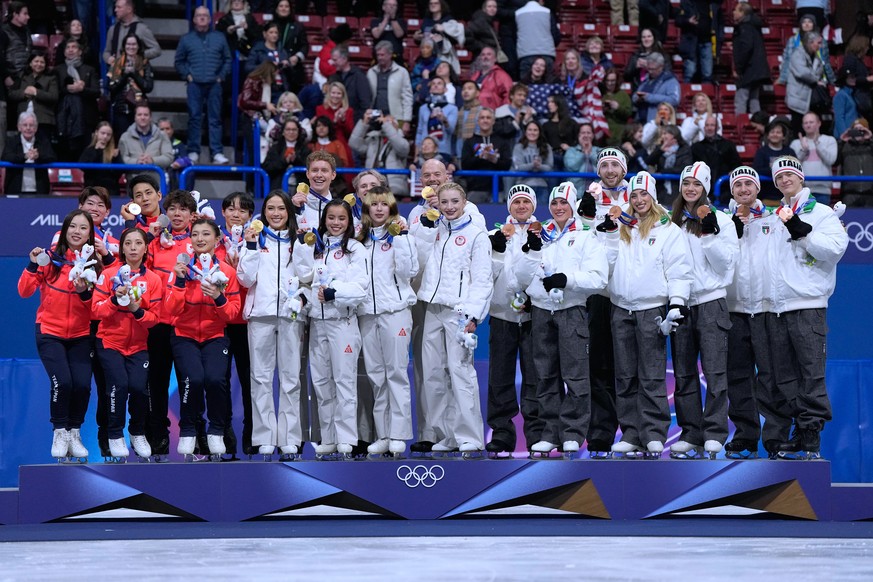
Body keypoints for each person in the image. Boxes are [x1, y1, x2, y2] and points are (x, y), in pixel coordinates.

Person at [598, 171, 693, 459]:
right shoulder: (621, 227)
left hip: (651, 310)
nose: (639, 200)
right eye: (635, 195)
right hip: (620, 308)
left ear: (653, 197)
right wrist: (608, 234)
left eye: (644, 194)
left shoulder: (668, 230)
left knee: (651, 375)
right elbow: (606, 264)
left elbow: (679, 269)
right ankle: (630, 433)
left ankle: (653, 433)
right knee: (625, 375)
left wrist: (676, 303)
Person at [514, 181, 609, 457]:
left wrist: (567, 279)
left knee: (576, 376)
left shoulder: (585, 235)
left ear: (573, 206)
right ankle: (549, 432)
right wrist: (530, 252)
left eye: (564, 203)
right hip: (542, 312)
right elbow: (520, 278)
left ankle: (572, 433)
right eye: (554, 203)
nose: (558, 208)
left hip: (572, 311)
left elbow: (599, 278)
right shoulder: (540, 233)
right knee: (545, 376)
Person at [767, 156, 848, 459]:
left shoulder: (823, 213)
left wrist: (805, 234)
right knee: (786, 376)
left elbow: (836, 250)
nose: (785, 180)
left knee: (810, 374)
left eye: (790, 175)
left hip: (809, 304)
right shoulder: (776, 217)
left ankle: (812, 434)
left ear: (801, 178)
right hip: (779, 306)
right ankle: (800, 432)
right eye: (779, 177)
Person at [413, 182, 493, 456]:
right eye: (444, 202)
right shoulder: (432, 229)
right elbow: (416, 260)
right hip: (432, 309)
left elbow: (482, 279)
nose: (448, 207)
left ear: (464, 202)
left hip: (459, 313)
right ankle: (447, 435)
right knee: (433, 376)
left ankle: (470, 436)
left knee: (461, 372)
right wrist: (424, 228)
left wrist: (473, 314)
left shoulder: (476, 234)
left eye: (453, 202)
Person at [667, 162, 738, 459]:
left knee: (715, 372)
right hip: (681, 304)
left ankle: (714, 433)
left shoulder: (722, 219)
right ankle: (691, 433)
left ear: (706, 188)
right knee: (683, 374)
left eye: (696, 184)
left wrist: (710, 236)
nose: (691, 189)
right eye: (686, 184)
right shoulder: (672, 224)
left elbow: (727, 266)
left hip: (711, 303)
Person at [19, 210, 102, 461]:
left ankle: (74, 431)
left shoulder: (95, 265)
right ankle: (60, 431)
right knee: (63, 382)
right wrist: (33, 264)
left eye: (83, 228)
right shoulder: (49, 260)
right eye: (72, 227)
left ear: (90, 234)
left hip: (80, 335)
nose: (77, 232)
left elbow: (97, 308)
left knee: (83, 385)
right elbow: (24, 291)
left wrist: (84, 292)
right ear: (65, 230)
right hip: (50, 333)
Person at [236, 190, 312, 460]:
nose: (276, 213)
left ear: (289, 212)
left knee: (291, 379)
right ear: (264, 212)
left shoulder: (299, 239)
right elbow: (245, 279)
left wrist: (303, 246)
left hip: (291, 316)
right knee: (260, 379)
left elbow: (307, 275)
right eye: (271, 208)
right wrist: (253, 247)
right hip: (261, 316)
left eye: (281, 208)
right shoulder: (254, 238)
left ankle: (290, 439)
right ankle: (265, 437)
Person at [166, 218, 242, 459]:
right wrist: (179, 282)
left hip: (215, 336)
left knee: (216, 381)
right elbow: (171, 309)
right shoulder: (181, 268)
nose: (200, 239)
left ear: (216, 240)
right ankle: (188, 430)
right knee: (193, 380)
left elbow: (231, 313)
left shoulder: (227, 272)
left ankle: (216, 431)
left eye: (206, 234)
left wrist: (218, 297)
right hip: (184, 336)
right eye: (196, 234)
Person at [723, 166, 784, 459]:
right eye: (738, 185)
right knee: (737, 376)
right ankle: (746, 436)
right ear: (732, 191)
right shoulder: (722, 221)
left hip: (765, 308)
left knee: (771, 376)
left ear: (758, 188)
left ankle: (776, 438)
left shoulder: (774, 220)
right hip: (733, 309)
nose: (743, 189)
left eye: (749, 184)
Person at [356, 186, 418, 457]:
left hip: (396, 312)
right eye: (374, 204)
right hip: (367, 313)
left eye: (384, 204)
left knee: (396, 374)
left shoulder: (402, 235)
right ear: (367, 208)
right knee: (376, 377)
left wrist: (401, 238)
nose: (379, 208)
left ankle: (399, 434)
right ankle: (382, 434)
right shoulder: (359, 239)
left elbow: (409, 271)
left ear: (391, 207)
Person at [91, 227, 162, 461]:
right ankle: (114, 435)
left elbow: (155, 318)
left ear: (145, 248)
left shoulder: (153, 279)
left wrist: (136, 309)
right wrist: (114, 300)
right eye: (128, 243)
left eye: (138, 243)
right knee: (118, 386)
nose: (133, 248)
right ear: (121, 248)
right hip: (109, 342)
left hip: (139, 347)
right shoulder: (108, 274)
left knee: (140, 389)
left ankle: (137, 432)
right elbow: (95, 310)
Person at [482, 184, 543, 456]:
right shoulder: (493, 234)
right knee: (500, 379)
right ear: (509, 206)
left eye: (526, 202)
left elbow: (546, 269)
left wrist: (536, 296)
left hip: (534, 317)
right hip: (501, 315)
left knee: (537, 378)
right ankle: (502, 435)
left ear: (533, 205)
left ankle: (538, 435)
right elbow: (484, 276)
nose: (521, 206)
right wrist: (495, 253)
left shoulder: (545, 233)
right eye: (516, 202)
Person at [306, 199, 369, 458]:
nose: (335, 223)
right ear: (324, 220)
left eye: (341, 218)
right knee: (321, 383)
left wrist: (334, 293)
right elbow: (304, 279)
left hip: (343, 322)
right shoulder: (316, 247)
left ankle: (346, 438)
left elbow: (361, 288)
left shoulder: (355, 249)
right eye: (331, 217)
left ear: (349, 221)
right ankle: (329, 437)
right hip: (317, 323)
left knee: (344, 382)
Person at [215, 192, 255, 456]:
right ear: (223, 213)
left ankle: (251, 435)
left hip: (249, 320)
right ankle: (224, 435)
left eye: (242, 210)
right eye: (230, 209)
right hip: (220, 320)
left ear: (250, 216)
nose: (236, 214)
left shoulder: (256, 241)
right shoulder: (212, 241)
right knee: (220, 381)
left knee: (250, 381)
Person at [175, 7, 232, 165]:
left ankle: (217, 153)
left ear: (210, 19)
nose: (201, 18)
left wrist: (221, 76)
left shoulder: (219, 37)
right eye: (199, 15)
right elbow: (178, 61)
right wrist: (187, 75)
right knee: (194, 118)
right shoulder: (186, 39)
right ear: (194, 19)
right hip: (195, 84)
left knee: (215, 119)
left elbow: (228, 59)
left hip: (215, 84)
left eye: (205, 16)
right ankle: (193, 150)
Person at [349, 110, 411, 197]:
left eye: (389, 121)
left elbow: (402, 148)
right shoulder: (373, 138)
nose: (385, 123)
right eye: (384, 121)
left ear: (397, 125)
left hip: (394, 188)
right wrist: (364, 123)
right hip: (371, 187)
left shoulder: (402, 141)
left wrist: (386, 124)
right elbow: (354, 144)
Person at [107, 34, 154, 140]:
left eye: (134, 44)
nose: (131, 47)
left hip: (139, 109)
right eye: (128, 44)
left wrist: (134, 74)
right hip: (120, 109)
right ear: (124, 46)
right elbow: (111, 88)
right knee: (122, 140)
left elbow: (148, 87)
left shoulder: (145, 63)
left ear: (138, 46)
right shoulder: (116, 64)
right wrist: (125, 75)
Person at [461, 107, 513, 203]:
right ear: (478, 121)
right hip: (475, 189)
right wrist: (480, 157)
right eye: (482, 118)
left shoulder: (502, 141)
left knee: (497, 217)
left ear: (493, 121)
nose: (485, 120)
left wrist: (495, 160)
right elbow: (464, 164)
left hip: (497, 189)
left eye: (488, 118)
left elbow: (507, 165)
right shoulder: (469, 141)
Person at [691, 115, 742, 206]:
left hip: (725, 191)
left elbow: (737, 165)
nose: (709, 128)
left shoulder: (728, 145)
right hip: (703, 191)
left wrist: (733, 171)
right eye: (707, 125)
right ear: (704, 127)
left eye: (712, 125)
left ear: (717, 127)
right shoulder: (696, 147)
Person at [2, 111, 57, 194]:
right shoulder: (11, 141)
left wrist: (38, 156)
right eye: (25, 125)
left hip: (39, 189)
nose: (28, 128)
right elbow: (6, 157)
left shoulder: (43, 141)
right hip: (15, 188)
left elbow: (52, 157)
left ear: (36, 128)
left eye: (31, 125)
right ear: (19, 127)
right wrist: (24, 156)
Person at [790, 111, 838, 204]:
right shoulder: (796, 143)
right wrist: (803, 150)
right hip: (801, 191)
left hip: (823, 190)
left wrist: (818, 144)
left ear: (819, 123)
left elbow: (831, 160)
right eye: (806, 123)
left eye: (811, 122)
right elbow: (792, 166)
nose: (808, 125)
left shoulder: (829, 140)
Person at [8, 52, 58, 143]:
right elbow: (11, 94)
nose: (39, 64)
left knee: (43, 148)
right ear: (30, 63)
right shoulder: (22, 77)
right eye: (36, 61)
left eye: (42, 62)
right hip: (23, 120)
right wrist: (24, 93)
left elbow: (53, 97)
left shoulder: (51, 79)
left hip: (43, 119)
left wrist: (36, 92)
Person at [367, 41, 414, 137]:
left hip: (395, 117)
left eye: (382, 55)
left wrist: (407, 120)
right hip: (375, 118)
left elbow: (407, 97)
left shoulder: (402, 72)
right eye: (378, 55)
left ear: (390, 55)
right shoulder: (371, 72)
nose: (379, 57)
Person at [786, 31, 829, 135]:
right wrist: (816, 80)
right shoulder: (797, 54)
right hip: (798, 99)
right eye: (818, 43)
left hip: (811, 101)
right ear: (810, 42)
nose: (820, 45)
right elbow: (802, 73)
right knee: (799, 132)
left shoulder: (817, 57)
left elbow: (819, 73)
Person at [118, 104, 174, 181]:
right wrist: (136, 161)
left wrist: (153, 160)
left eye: (146, 115)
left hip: (156, 181)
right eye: (139, 115)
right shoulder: (125, 136)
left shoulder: (162, 135)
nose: (143, 117)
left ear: (150, 117)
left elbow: (169, 157)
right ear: (135, 117)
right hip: (134, 180)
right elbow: (121, 159)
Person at [778, 14, 835, 87]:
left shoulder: (821, 41)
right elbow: (787, 61)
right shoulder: (793, 40)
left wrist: (833, 81)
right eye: (804, 22)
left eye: (809, 22)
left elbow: (825, 62)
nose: (806, 24)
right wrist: (783, 79)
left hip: (818, 79)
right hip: (798, 79)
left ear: (814, 24)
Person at [645, 125, 693, 206]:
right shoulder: (660, 148)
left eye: (665, 133)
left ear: (673, 135)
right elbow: (649, 161)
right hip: (661, 188)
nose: (663, 136)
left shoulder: (684, 149)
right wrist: (660, 150)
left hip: (677, 187)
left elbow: (685, 168)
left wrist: (664, 172)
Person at [414, 0, 465, 75]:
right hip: (428, 56)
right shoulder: (426, 21)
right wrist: (417, 38)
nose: (433, 5)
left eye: (436, 3)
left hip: (444, 56)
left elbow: (455, 39)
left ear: (441, 5)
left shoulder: (448, 20)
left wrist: (443, 32)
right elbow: (421, 39)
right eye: (431, 3)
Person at [103, 0, 161, 64]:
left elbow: (156, 50)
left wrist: (139, 56)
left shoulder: (142, 29)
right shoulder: (113, 29)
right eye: (115, 7)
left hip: (136, 70)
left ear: (129, 9)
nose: (115, 10)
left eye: (119, 7)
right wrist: (108, 58)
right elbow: (107, 51)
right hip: (116, 71)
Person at [753, 118, 795, 205]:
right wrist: (778, 170)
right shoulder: (761, 152)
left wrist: (773, 170)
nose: (775, 134)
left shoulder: (790, 152)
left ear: (783, 136)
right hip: (765, 197)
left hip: (787, 198)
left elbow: (795, 170)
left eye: (778, 132)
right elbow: (757, 171)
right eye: (772, 132)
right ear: (768, 135)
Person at [269, 0, 309, 92]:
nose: (284, 9)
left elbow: (305, 46)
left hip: (292, 68)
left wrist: (297, 57)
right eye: (281, 6)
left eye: (286, 6)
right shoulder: (269, 26)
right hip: (272, 67)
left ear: (290, 9)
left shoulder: (298, 26)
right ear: (276, 9)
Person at [515, 0, 559, 81]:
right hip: (547, 53)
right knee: (548, 86)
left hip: (525, 55)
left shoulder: (518, 13)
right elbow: (556, 35)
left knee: (525, 88)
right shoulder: (547, 12)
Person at [328, 44, 373, 123]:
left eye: (335, 60)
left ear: (344, 59)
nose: (332, 63)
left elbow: (365, 103)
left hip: (354, 122)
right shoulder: (334, 76)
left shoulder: (359, 76)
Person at [676, 0, 718, 84]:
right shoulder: (686, 2)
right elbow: (678, 20)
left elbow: (718, 22)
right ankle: (686, 93)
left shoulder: (712, 4)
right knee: (690, 72)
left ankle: (705, 95)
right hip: (690, 41)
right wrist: (688, 21)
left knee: (707, 73)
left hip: (707, 40)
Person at [416, 77, 458, 160]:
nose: (436, 85)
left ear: (445, 89)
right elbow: (420, 131)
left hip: (443, 150)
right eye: (433, 84)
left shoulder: (452, 108)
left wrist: (444, 120)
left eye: (439, 83)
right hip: (425, 151)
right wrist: (417, 153)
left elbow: (451, 130)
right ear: (430, 89)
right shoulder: (423, 108)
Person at [264, 117, 309, 190]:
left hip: (301, 188)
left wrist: (297, 160)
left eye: (294, 130)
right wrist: (285, 161)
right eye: (288, 129)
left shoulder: (305, 149)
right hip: (279, 187)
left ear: (298, 131)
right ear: (283, 132)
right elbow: (268, 168)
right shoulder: (275, 148)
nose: (291, 132)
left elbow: (310, 169)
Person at [634, 52, 681, 123]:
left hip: (658, 123)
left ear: (661, 67)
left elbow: (674, 100)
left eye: (653, 69)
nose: (650, 72)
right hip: (640, 122)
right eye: (649, 69)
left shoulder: (670, 81)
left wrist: (650, 97)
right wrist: (637, 98)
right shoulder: (646, 79)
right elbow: (635, 95)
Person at [79, 123, 124, 197]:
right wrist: (96, 151)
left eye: (108, 134)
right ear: (96, 132)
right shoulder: (89, 150)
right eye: (103, 133)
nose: (105, 136)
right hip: (92, 190)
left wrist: (116, 158)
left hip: (110, 191)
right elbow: (83, 167)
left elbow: (119, 172)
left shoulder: (114, 152)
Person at [836, 118, 873, 207]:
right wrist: (841, 141)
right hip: (849, 193)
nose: (858, 132)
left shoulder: (871, 147)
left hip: (870, 192)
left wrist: (871, 138)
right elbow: (835, 161)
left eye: (861, 130)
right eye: (855, 130)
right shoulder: (845, 146)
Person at [469, 46, 513, 111]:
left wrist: (503, 113)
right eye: (483, 55)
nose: (485, 57)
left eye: (489, 54)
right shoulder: (474, 76)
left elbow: (509, 95)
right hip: (473, 113)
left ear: (495, 59)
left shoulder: (501, 76)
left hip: (492, 114)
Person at [564, 123, 601, 196]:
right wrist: (583, 153)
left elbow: (602, 166)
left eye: (588, 133)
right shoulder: (571, 150)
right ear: (578, 135)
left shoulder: (599, 151)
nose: (586, 135)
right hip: (576, 193)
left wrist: (590, 153)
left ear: (593, 135)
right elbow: (572, 167)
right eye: (583, 133)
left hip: (597, 194)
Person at [601, 68, 633, 147]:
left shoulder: (623, 95)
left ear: (617, 81)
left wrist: (618, 108)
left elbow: (628, 113)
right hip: (602, 135)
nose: (610, 83)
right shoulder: (600, 94)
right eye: (607, 80)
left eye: (612, 81)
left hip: (618, 135)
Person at [455, 80, 483, 158]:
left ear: (477, 93)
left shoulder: (482, 111)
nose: (466, 91)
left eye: (470, 88)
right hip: (459, 154)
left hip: (476, 154)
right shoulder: (458, 111)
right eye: (464, 89)